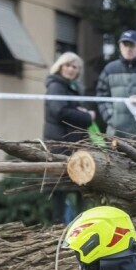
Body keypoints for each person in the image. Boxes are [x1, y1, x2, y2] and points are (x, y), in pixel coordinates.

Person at [44, 51, 95, 224]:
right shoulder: (56, 86)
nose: (71, 69)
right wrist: (87, 117)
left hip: (73, 145)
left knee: (78, 188)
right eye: (68, 65)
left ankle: (76, 227)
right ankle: (58, 231)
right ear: (60, 66)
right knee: (60, 192)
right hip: (60, 145)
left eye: (75, 67)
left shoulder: (72, 87)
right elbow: (60, 111)